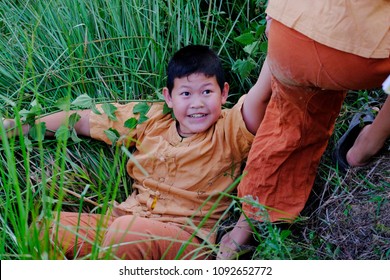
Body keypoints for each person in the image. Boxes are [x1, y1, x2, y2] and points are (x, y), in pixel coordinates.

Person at [1, 45, 272, 259]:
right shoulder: (152, 118)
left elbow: (261, 94)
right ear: (168, 97)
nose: (197, 104)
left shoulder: (231, 128)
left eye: (206, 92)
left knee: (126, 233)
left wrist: (279, 37)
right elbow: (82, 120)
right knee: (48, 229)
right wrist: (14, 127)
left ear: (224, 93)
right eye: (186, 94)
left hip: (186, 241)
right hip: (126, 221)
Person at [218, 0, 390, 259]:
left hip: (287, 30)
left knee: (289, 118)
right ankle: (363, 148)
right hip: (359, 56)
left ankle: (240, 234)